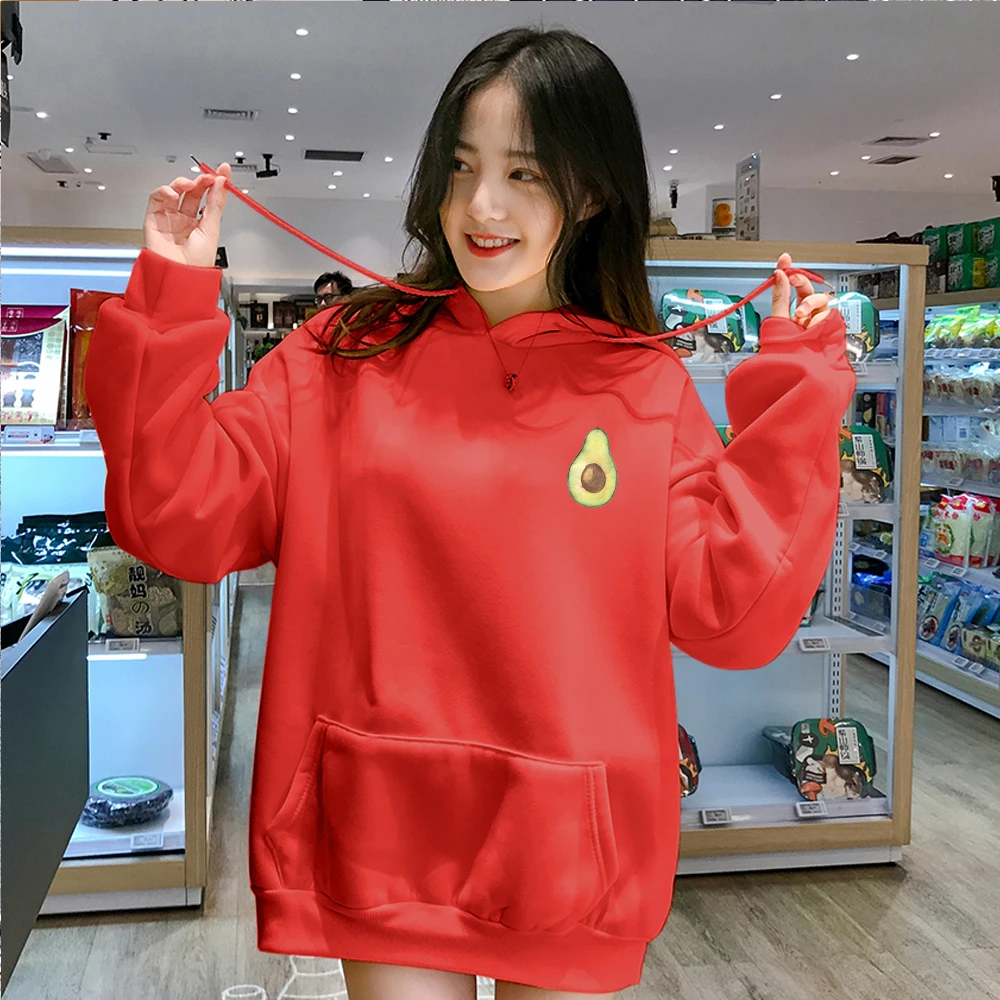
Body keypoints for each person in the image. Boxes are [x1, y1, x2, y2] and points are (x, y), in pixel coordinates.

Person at [85, 26, 854, 1000]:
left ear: (592, 192)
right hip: (380, 821)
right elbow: (174, 511)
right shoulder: (341, 353)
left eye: (523, 172)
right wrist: (170, 296)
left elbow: (730, 613)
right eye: (460, 166)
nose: (481, 206)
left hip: (568, 839)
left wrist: (794, 395)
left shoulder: (642, 386)